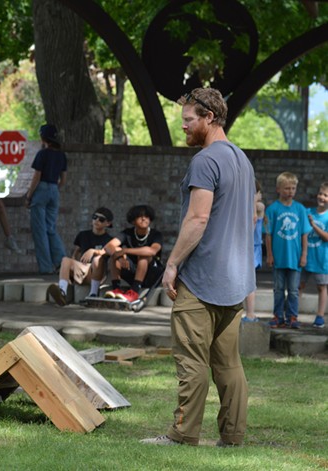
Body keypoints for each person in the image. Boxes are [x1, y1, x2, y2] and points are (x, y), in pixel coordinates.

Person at [142, 88, 255, 447]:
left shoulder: (206, 161)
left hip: (203, 279)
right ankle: (233, 438)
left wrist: (172, 265)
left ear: (209, 117)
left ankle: (182, 434)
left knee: (191, 360)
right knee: (229, 364)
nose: (184, 128)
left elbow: (198, 218)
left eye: (188, 120)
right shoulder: (242, 160)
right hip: (236, 281)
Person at [265, 171, 311, 329]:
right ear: (278, 189)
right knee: (278, 289)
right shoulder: (272, 209)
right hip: (279, 258)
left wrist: (304, 254)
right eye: (286, 188)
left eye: (293, 188)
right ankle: (278, 316)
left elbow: (305, 234)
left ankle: (292, 316)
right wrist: (269, 255)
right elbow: (268, 235)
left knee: (293, 290)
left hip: (295, 258)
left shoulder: (300, 209)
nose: (290, 191)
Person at [46, 207, 114, 306]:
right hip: (82, 270)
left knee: (97, 259)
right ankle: (62, 293)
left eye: (101, 219)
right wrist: (70, 268)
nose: (97, 220)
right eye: (95, 217)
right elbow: (76, 251)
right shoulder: (83, 235)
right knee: (65, 260)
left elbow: (106, 252)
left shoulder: (109, 239)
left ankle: (93, 295)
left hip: (97, 273)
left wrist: (93, 251)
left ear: (108, 223)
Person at [25, 124, 68, 274]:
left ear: (43, 137)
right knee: (50, 228)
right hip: (54, 189)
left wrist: (29, 195)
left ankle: (46, 267)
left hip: (41, 189)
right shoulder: (62, 155)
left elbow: (36, 176)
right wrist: (54, 189)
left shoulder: (42, 154)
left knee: (39, 231)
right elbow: (63, 180)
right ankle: (62, 261)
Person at [103, 205, 163, 303]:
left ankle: (134, 292)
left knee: (144, 255)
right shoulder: (127, 233)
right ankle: (116, 288)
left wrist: (125, 251)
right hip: (132, 272)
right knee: (115, 251)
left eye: (147, 216)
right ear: (133, 221)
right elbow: (108, 246)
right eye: (140, 216)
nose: (144, 218)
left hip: (151, 275)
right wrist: (120, 258)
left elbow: (152, 251)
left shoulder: (156, 234)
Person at [300, 182, 328, 329]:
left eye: (326, 195)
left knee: (321, 287)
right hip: (305, 257)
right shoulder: (308, 211)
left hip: (321, 258)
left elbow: (326, 237)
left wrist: (314, 225)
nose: (322, 197)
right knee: (299, 286)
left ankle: (320, 316)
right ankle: (293, 315)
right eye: (320, 194)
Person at [243, 180, 266, 322]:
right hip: (243, 246)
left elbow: (253, 219)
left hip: (253, 247)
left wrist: (252, 200)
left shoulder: (258, 206)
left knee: (250, 281)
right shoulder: (246, 206)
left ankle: (250, 314)